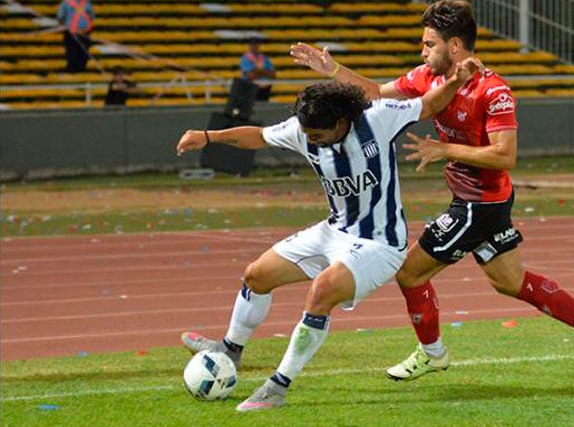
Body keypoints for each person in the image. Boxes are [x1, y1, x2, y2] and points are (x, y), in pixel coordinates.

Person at [290, 0, 574, 384]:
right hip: (477, 203)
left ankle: (433, 354)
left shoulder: (493, 90)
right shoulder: (426, 79)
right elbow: (374, 93)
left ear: (456, 46)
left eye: (430, 44)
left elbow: (505, 155)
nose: (423, 51)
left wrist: (444, 149)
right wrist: (333, 71)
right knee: (510, 283)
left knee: (410, 273)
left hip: (479, 204)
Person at [177, 64, 479, 412]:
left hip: (380, 244)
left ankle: (278, 386)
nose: (309, 139)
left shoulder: (378, 119)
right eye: (306, 133)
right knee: (256, 275)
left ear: (339, 123)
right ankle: (231, 348)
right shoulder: (304, 129)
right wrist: (209, 136)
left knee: (321, 292)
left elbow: (426, 105)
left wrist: (456, 80)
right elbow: (258, 136)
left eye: (317, 135)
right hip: (334, 230)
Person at [56, 0, 94, 73]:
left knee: (84, 54)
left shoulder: (87, 2)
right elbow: (60, 17)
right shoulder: (66, 3)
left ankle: (81, 71)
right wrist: (69, 28)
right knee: (72, 54)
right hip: (71, 33)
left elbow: (91, 16)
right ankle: (72, 72)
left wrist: (85, 29)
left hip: (85, 33)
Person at [240, 37, 276, 101]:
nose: (255, 47)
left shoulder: (264, 58)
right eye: (253, 45)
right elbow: (250, 75)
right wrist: (264, 72)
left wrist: (256, 71)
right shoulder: (246, 58)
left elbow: (272, 74)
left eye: (256, 45)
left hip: (264, 88)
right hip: (251, 88)